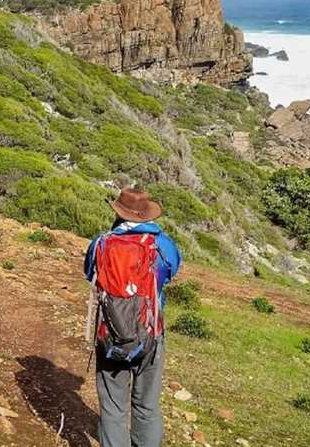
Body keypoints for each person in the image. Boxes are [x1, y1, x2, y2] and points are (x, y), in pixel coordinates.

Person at [83, 188, 181, 447]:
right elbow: (170, 274)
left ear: (118, 212)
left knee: (113, 408)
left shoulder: (101, 243)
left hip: (111, 335)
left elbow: (89, 274)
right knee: (146, 406)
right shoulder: (163, 245)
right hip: (151, 333)